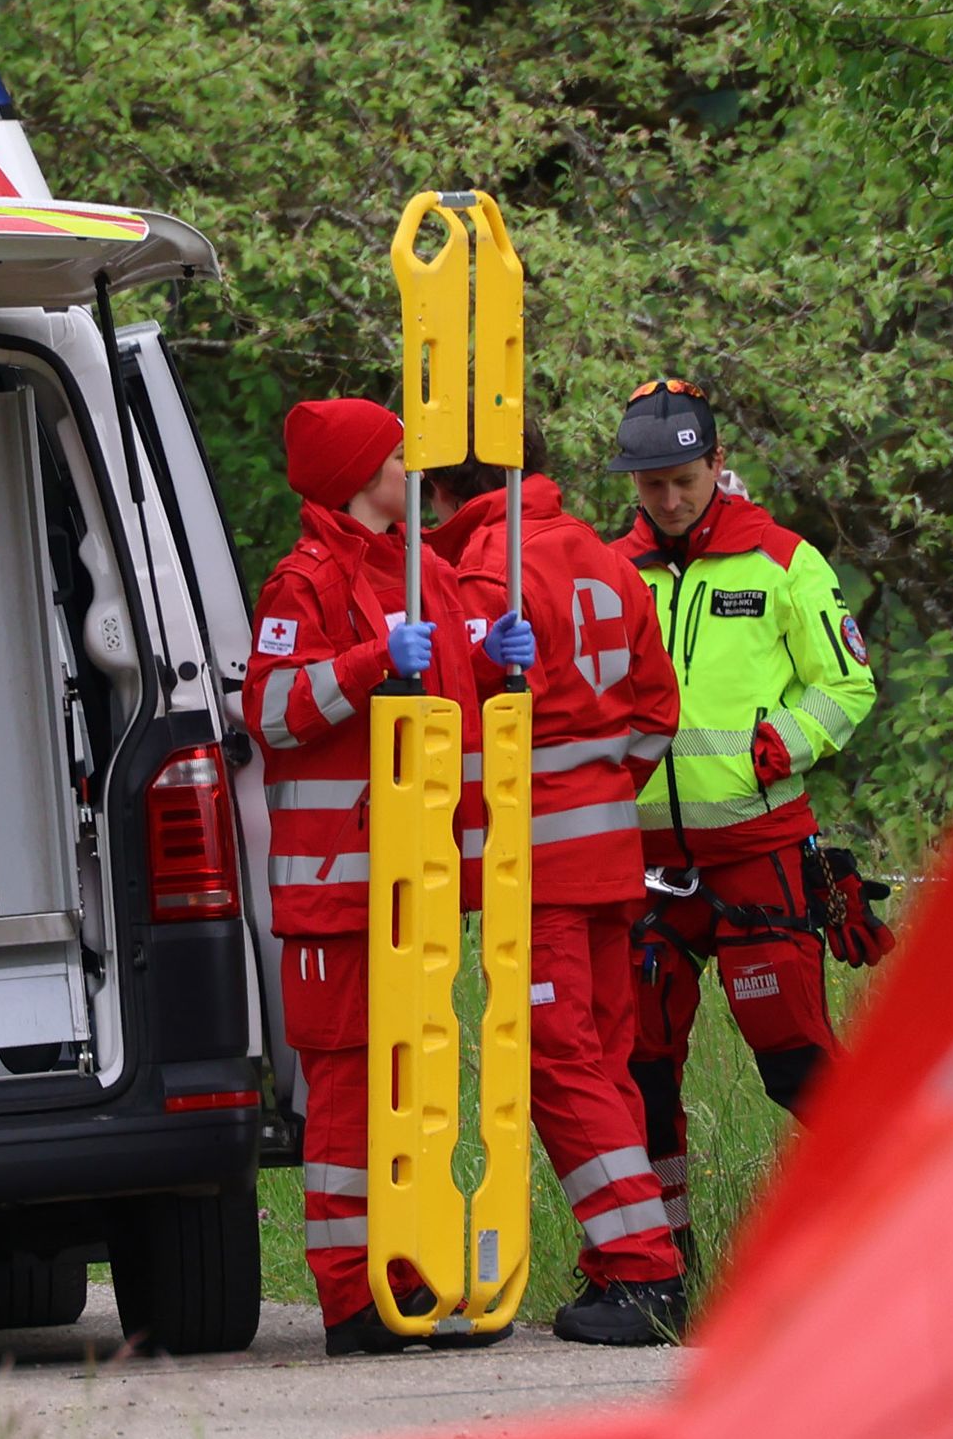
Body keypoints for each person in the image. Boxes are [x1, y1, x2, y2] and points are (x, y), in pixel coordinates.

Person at [245, 395, 510, 1355]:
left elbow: (446, 676)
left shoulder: (420, 567)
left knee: (417, 1088)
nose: (415, 470)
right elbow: (271, 710)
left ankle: (409, 1275)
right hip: (338, 895)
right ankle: (350, 1299)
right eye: (400, 456)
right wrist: (367, 664)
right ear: (361, 476)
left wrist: (493, 657)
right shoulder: (302, 582)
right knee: (349, 1100)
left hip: (417, 887)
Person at [612, 380, 877, 1268]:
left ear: (718, 465)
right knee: (640, 1069)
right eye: (652, 485)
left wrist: (783, 743)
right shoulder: (611, 571)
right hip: (643, 864)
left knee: (796, 1062)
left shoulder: (785, 562)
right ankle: (663, 1261)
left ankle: (894, 1232)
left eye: (684, 481)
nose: (669, 500)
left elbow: (848, 685)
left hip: (758, 851)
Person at [439, 422, 693, 1345]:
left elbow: (458, 720)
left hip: (536, 868)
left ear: (447, 485)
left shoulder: (486, 568)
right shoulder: (604, 557)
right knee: (603, 1058)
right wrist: (600, 790)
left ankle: (644, 1271)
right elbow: (657, 713)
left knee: (557, 1060)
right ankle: (628, 1263)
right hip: (609, 858)